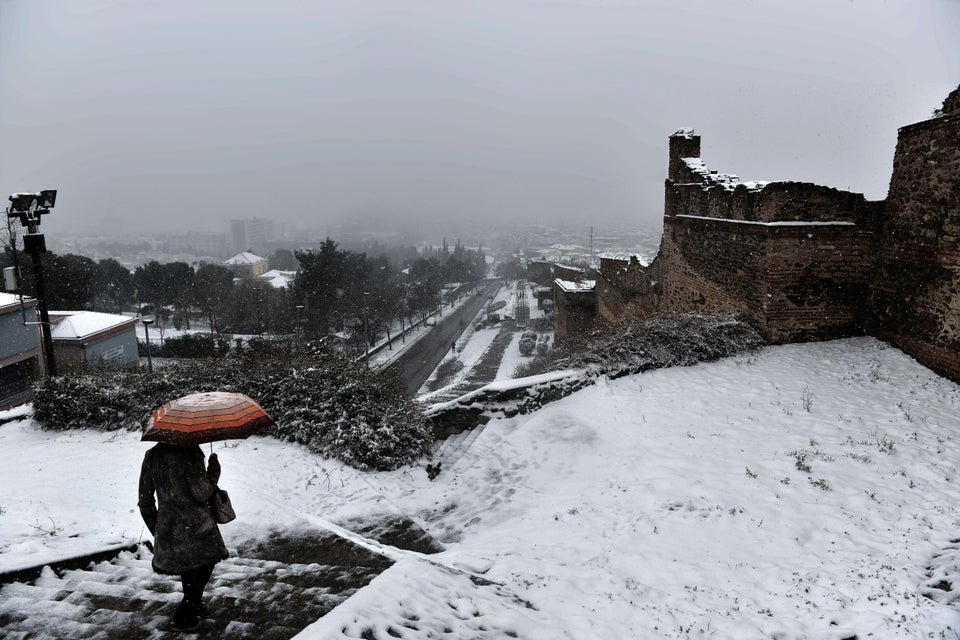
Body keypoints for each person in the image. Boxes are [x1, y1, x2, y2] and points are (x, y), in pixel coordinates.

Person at [138, 443, 229, 632]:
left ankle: (194, 605)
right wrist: (214, 471)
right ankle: (185, 612)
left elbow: (145, 499)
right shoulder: (190, 452)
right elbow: (201, 492)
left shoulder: (152, 455)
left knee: (188, 565)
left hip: (168, 525)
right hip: (197, 526)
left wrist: (157, 527)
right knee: (205, 563)